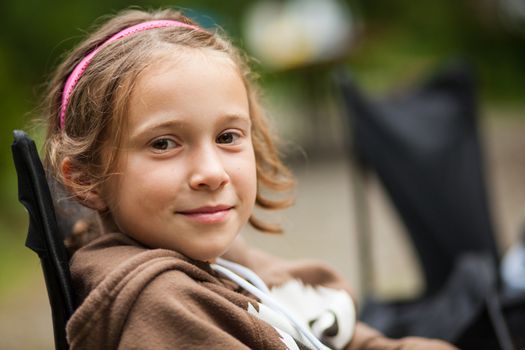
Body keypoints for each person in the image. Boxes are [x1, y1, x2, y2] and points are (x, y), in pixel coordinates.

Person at [41, 7, 456, 350]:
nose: (212, 172)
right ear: (86, 179)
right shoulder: (159, 304)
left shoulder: (222, 261)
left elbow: (335, 331)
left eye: (227, 137)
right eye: (164, 144)